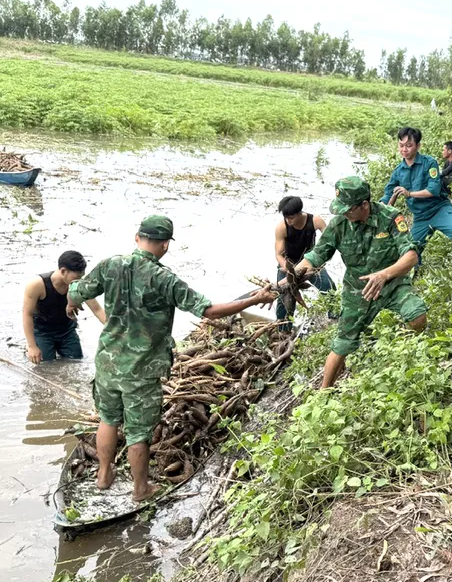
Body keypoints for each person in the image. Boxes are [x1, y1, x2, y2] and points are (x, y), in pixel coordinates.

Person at [67, 215, 277, 502]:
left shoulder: (110, 265)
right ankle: (140, 490)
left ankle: (104, 475)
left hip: (107, 361)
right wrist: (254, 299)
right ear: (165, 245)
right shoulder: (164, 280)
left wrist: (70, 302)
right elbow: (210, 311)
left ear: (137, 237)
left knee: (108, 418)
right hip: (141, 368)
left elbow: (77, 289)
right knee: (139, 432)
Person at [292, 177, 427, 389]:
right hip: (358, 292)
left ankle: (410, 355)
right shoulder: (339, 225)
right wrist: (294, 275)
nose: (344, 213)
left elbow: (411, 256)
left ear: (364, 204)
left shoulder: (390, 218)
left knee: (417, 315)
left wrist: (383, 275)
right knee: (342, 345)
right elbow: (317, 255)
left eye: (348, 209)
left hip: (392, 285)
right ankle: (323, 393)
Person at [383, 127, 452, 275]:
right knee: (411, 250)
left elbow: (433, 190)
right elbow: (386, 196)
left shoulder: (429, 163)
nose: (405, 149)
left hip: (439, 209)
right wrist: (379, 208)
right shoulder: (398, 171)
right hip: (421, 217)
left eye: (409, 145)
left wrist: (409, 193)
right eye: (401, 145)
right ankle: (415, 274)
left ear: (418, 146)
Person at [23, 250, 106, 364]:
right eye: (77, 277)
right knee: (45, 365)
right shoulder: (37, 285)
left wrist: (114, 329)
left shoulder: (78, 285)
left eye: (82, 277)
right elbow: (27, 314)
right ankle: (28, 346)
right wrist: (32, 346)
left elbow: (97, 309)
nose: (79, 281)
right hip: (43, 332)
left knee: (76, 360)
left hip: (67, 331)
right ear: (63, 271)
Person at [274, 196, 336, 330]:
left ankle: (334, 319)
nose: (288, 221)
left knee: (329, 288)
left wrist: (320, 260)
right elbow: (278, 254)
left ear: (299, 213)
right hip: (289, 264)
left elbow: (330, 241)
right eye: (286, 218)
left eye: (291, 218)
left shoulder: (315, 221)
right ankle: (282, 330)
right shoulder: (282, 227)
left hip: (310, 263)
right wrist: (287, 267)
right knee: (283, 298)